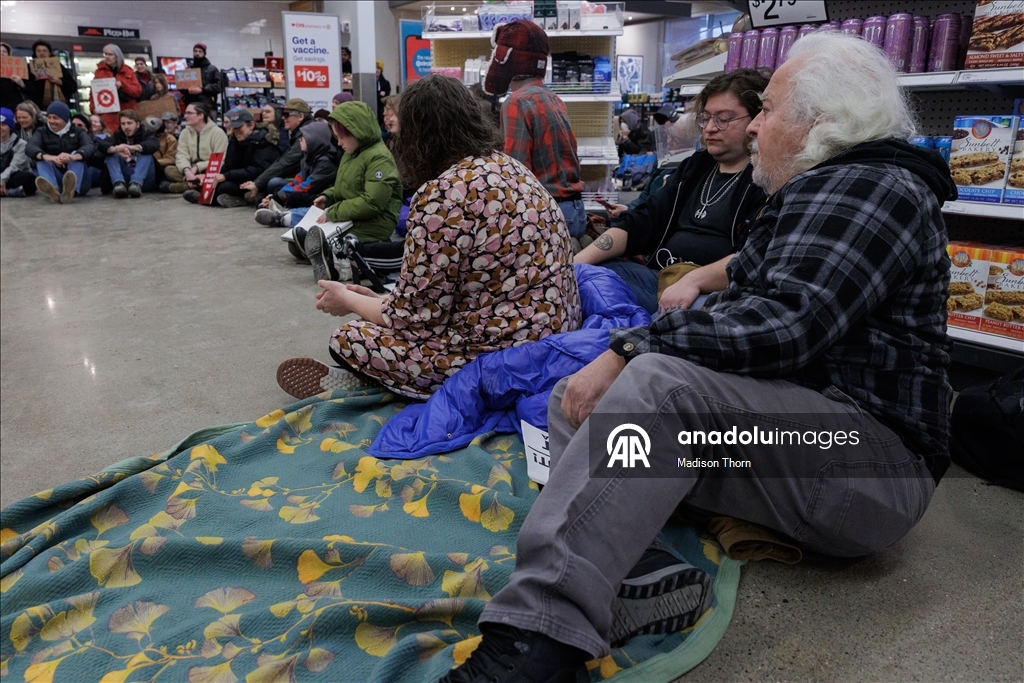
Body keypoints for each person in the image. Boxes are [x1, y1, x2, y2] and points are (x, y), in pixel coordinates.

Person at [444, 32, 957, 683]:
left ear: (818, 122)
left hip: (868, 461)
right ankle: (647, 570)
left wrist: (634, 346)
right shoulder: (829, 188)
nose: (752, 127)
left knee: (654, 384)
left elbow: (784, 326)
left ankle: (536, 642)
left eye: (765, 110)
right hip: (802, 438)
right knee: (582, 392)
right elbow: (770, 294)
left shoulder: (869, 187)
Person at [275, 75, 581, 401]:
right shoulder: (511, 168)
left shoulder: (441, 195)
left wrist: (349, 300)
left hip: (503, 360)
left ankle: (388, 384)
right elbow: (445, 295)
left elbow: (413, 320)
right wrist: (379, 300)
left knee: (348, 337)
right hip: (556, 335)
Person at [574, 69, 770, 314]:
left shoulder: (764, 178)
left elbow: (753, 258)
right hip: (659, 278)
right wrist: (575, 263)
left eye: (724, 118)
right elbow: (644, 219)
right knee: (585, 275)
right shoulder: (695, 167)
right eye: (706, 117)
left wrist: (693, 280)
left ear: (757, 119)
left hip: (711, 295)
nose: (710, 128)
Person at [484, 20, 587, 239]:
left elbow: (516, 173)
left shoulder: (516, 102)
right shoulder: (552, 97)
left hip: (549, 213)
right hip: (575, 211)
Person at [296, 99, 401, 273]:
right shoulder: (351, 153)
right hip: (354, 216)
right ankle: (322, 251)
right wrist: (329, 196)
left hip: (375, 222)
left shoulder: (379, 158)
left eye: (341, 136)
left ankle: (338, 263)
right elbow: (346, 186)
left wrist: (334, 211)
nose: (338, 143)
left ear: (357, 132)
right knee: (326, 237)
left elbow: (372, 202)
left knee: (337, 241)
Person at [184, 108, 280, 207]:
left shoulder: (263, 142)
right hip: (240, 177)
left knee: (225, 186)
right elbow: (229, 165)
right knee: (210, 183)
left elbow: (257, 170)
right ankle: (212, 196)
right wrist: (210, 176)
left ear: (251, 125)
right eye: (233, 128)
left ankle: (215, 199)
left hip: (257, 180)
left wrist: (226, 176)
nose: (236, 131)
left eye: (239, 127)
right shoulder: (234, 140)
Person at [253, 121, 339, 227]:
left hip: (321, 195)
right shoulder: (308, 158)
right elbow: (298, 179)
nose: (300, 139)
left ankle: (285, 214)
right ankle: (277, 207)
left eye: (304, 136)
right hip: (311, 191)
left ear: (314, 139)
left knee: (296, 197)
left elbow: (307, 186)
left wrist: (280, 197)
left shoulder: (326, 162)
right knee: (276, 184)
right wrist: (278, 194)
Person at [241, 98, 312, 201]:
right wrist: (257, 182)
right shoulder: (299, 132)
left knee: (274, 182)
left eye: (287, 115)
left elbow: (287, 162)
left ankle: (264, 198)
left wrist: (257, 183)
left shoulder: (306, 134)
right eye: (283, 114)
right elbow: (284, 160)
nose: (283, 117)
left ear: (300, 116)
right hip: (304, 178)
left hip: (310, 182)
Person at [26, 101, 95, 203]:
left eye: (55, 118)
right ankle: (53, 190)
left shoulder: (77, 131)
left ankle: (72, 191)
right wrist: (50, 157)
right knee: (41, 158)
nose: (51, 121)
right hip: (58, 177)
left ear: (65, 118)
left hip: (80, 181)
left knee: (77, 155)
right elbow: (30, 147)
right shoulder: (42, 131)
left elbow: (89, 146)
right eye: (49, 117)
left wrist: (72, 157)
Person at [163, 102, 227, 194]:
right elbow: (181, 155)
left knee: (219, 174)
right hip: (190, 169)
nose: (185, 116)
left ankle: (186, 186)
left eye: (189, 113)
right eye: (185, 113)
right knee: (169, 170)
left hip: (210, 169)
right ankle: (197, 185)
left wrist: (198, 167)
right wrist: (187, 171)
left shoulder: (217, 133)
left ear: (200, 115)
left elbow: (220, 159)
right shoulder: (185, 132)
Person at [99, 109, 158, 198]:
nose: (126, 127)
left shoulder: (145, 134)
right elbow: (102, 144)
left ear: (137, 124)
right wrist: (116, 149)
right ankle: (118, 183)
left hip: (144, 179)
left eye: (129, 123)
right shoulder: (118, 135)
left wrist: (132, 148)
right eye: (123, 124)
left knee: (145, 153)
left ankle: (136, 183)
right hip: (125, 178)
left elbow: (154, 144)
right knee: (111, 154)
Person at [90, 44, 142, 133]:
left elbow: (137, 91)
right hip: (108, 115)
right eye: (105, 54)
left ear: (117, 56)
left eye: (110, 54)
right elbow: (93, 93)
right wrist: (93, 108)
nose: (107, 57)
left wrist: (123, 85)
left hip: (127, 113)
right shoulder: (99, 72)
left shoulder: (128, 71)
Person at [23, 41, 77, 111]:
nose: (41, 53)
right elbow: (24, 88)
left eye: (44, 50)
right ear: (35, 53)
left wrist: (59, 81)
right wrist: (34, 80)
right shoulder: (29, 68)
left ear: (49, 53)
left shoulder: (58, 67)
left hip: (59, 107)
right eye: (38, 51)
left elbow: (73, 87)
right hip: (36, 107)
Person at [1, 107, 35, 198]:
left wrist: (1, 180)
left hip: (12, 175)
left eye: (3, 124)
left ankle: (5, 190)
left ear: (10, 127)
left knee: (28, 178)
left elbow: (15, 166)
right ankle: (9, 192)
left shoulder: (21, 144)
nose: (0, 128)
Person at [182, 43, 220, 111]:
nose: (197, 53)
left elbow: (219, 86)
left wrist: (202, 89)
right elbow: (181, 86)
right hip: (191, 105)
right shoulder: (188, 70)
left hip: (207, 106)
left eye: (200, 51)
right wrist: (187, 90)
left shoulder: (212, 69)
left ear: (204, 53)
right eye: (195, 51)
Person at [150, 113, 178, 181]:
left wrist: (153, 163)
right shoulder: (157, 136)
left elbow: (170, 158)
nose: (166, 125)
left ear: (175, 124)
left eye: (168, 122)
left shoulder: (172, 139)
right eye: (164, 123)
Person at [1, 43, 26, 112]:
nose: (1, 53)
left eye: (4, 51)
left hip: (12, 106)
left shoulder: (18, 68)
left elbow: (29, 90)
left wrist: (21, 84)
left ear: (9, 54)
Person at [375, 60, 391, 130]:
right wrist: (379, 94)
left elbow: (385, 97)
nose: (376, 70)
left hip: (381, 111)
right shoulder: (370, 82)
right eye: (375, 68)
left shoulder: (386, 83)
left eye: (378, 68)